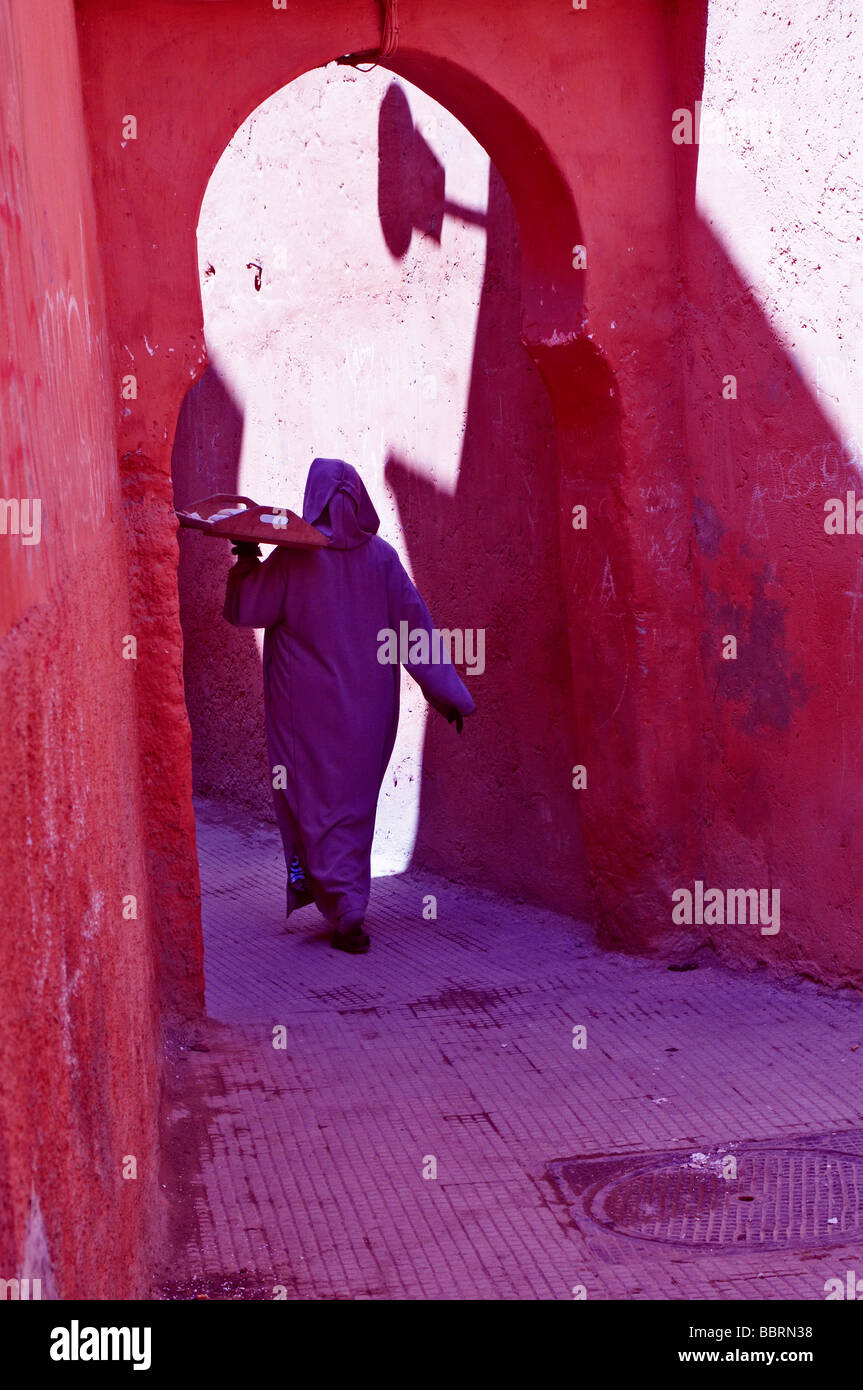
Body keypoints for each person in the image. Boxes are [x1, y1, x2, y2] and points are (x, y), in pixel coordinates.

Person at [223, 457, 475, 954]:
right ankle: (349, 904)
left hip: (307, 717)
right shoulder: (381, 560)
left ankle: (340, 902)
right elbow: (415, 631)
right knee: (355, 810)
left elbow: (248, 610)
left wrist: (248, 557)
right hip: (369, 715)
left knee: (314, 805)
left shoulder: (294, 558)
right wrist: (449, 695)